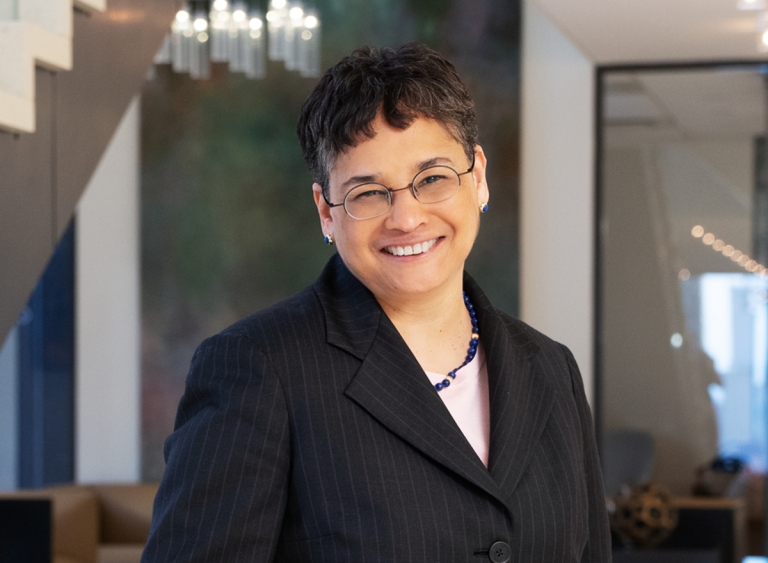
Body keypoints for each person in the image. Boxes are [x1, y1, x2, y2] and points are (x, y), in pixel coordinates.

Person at [141, 43, 611, 563]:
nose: (406, 219)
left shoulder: (551, 369)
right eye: (368, 192)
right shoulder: (257, 368)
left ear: (477, 176)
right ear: (326, 211)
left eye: (431, 179)